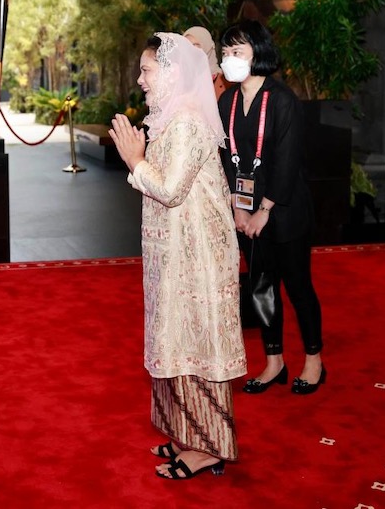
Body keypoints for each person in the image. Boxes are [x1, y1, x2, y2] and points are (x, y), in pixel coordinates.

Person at [109, 33, 246, 480]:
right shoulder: (170, 119)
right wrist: (140, 159)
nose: (140, 79)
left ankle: (208, 447)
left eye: (147, 70)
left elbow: (169, 190)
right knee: (173, 338)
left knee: (195, 344)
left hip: (198, 256)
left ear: (170, 72)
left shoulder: (186, 121)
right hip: (174, 253)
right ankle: (185, 433)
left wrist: (135, 161)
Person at [217, 19, 325, 395]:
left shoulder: (282, 99)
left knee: (297, 286)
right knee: (261, 288)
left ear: (258, 52)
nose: (229, 59)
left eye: (237, 51)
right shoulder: (227, 101)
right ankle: (274, 361)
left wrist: (264, 209)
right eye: (226, 52)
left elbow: (288, 160)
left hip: (284, 209)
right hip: (246, 211)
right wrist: (238, 208)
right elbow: (227, 159)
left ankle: (314, 359)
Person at [184, 26, 231, 100]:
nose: (191, 50)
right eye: (187, 46)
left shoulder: (225, 82)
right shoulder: (179, 80)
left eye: (196, 46)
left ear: (208, 46)